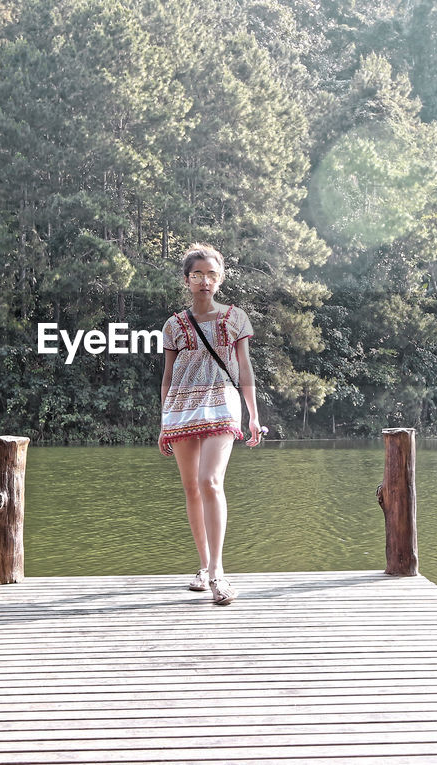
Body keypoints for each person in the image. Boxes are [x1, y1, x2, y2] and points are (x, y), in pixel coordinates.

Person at [158, 243, 263, 606]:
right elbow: (168, 376)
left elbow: (245, 368)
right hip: (182, 407)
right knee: (191, 488)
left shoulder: (235, 318)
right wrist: (163, 422)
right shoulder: (174, 325)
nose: (205, 281)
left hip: (222, 402)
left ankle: (218, 572)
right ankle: (203, 567)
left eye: (211, 275)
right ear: (187, 280)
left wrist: (253, 413)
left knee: (209, 481)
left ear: (220, 279)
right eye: (197, 275)